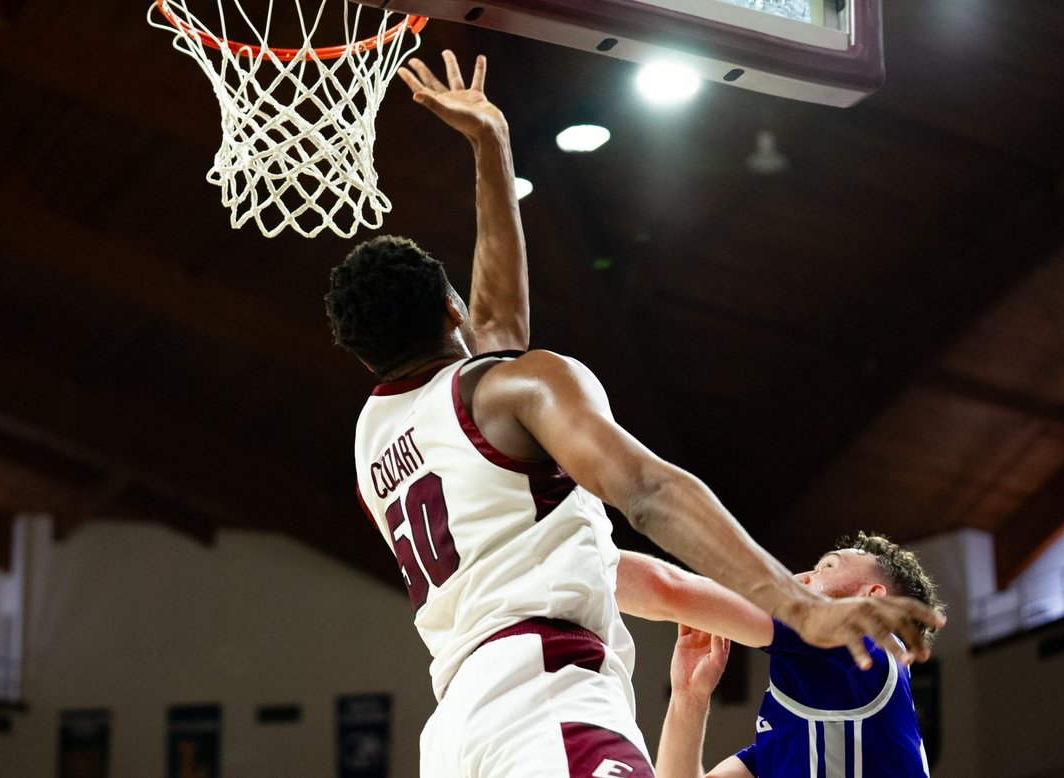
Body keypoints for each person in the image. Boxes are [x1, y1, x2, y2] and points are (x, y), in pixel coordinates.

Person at [325, 50, 943, 776]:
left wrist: (491, 146)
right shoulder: (517, 386)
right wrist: (798, 607)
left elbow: (494, 329)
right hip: (545, 697)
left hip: (458, 728)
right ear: (449, 308)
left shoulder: (377, 440)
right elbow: (647, 492)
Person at [653, 533, 944, 778]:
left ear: (869, 598)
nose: (800, 578)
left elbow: (667, 588)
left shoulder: (857, 644)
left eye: (826, 567)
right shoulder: (804, 730)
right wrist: (689, 696)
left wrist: (605, 566)